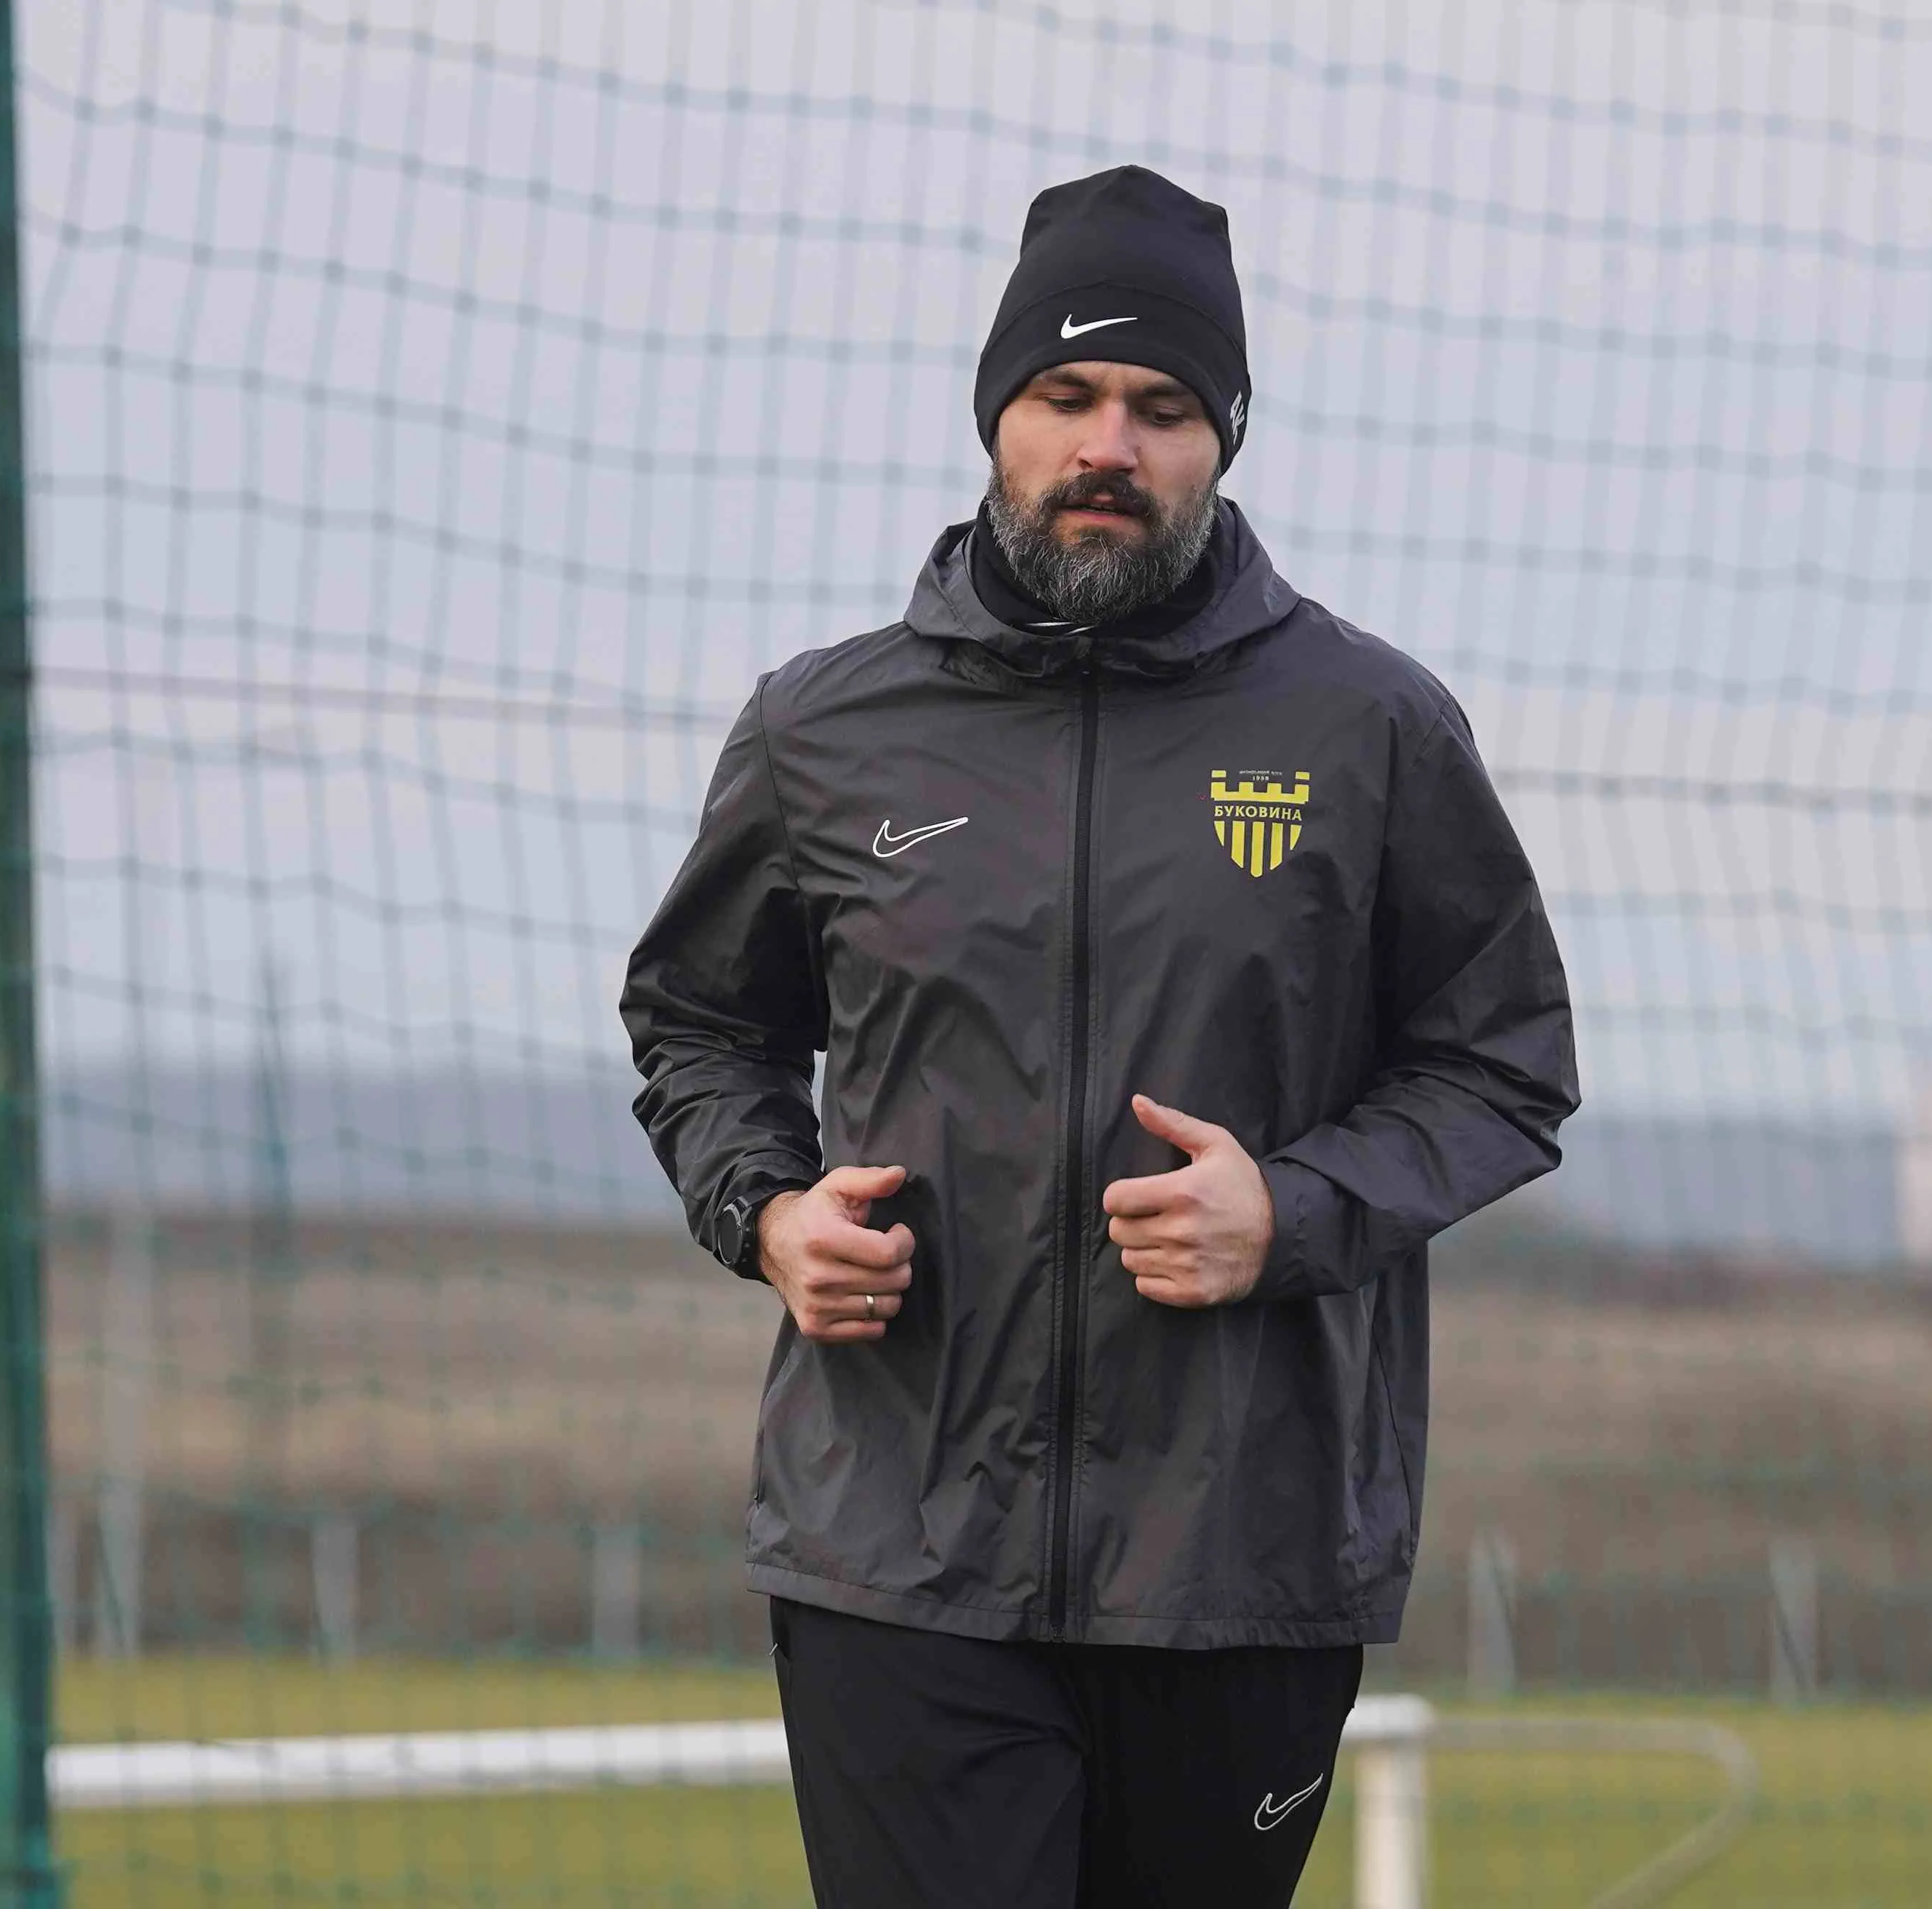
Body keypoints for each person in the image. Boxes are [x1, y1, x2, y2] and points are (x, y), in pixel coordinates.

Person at [620, 163, 1579, 1909]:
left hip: (1242, 1564)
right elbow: (696, 1023)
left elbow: (1504, 1063)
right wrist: (769, 1213)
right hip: (898, 1555)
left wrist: (1291, 1211)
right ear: (997, 417)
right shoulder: (825, 730)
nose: (1109, 445)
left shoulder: (1369, 728)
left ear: (1227, 437)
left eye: (1161, 406)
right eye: (1065, 395)